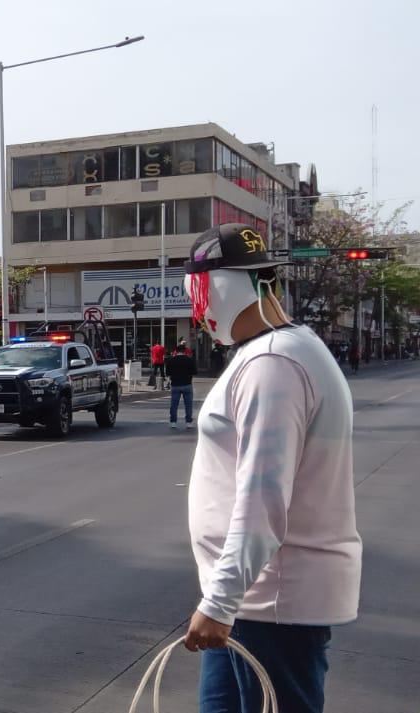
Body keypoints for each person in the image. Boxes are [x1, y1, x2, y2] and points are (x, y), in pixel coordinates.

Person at [179, 224, 361, 713]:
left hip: (269, 603)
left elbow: (262, 498)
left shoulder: (273, 365)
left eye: (198, 293)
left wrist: (218, 603)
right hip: (251, 600)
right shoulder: (284, 350)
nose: (199, 312)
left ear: (220, 285)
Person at [166, 343, 198, 430]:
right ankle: (188, 422)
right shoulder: (189, 360)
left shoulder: (172, 360)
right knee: (188, 404)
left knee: (174, 404)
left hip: (175, 384)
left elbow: (168, 373)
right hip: (187, 384)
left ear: (176, 351)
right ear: (185, 351)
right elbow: (194, 372)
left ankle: (173, 422)